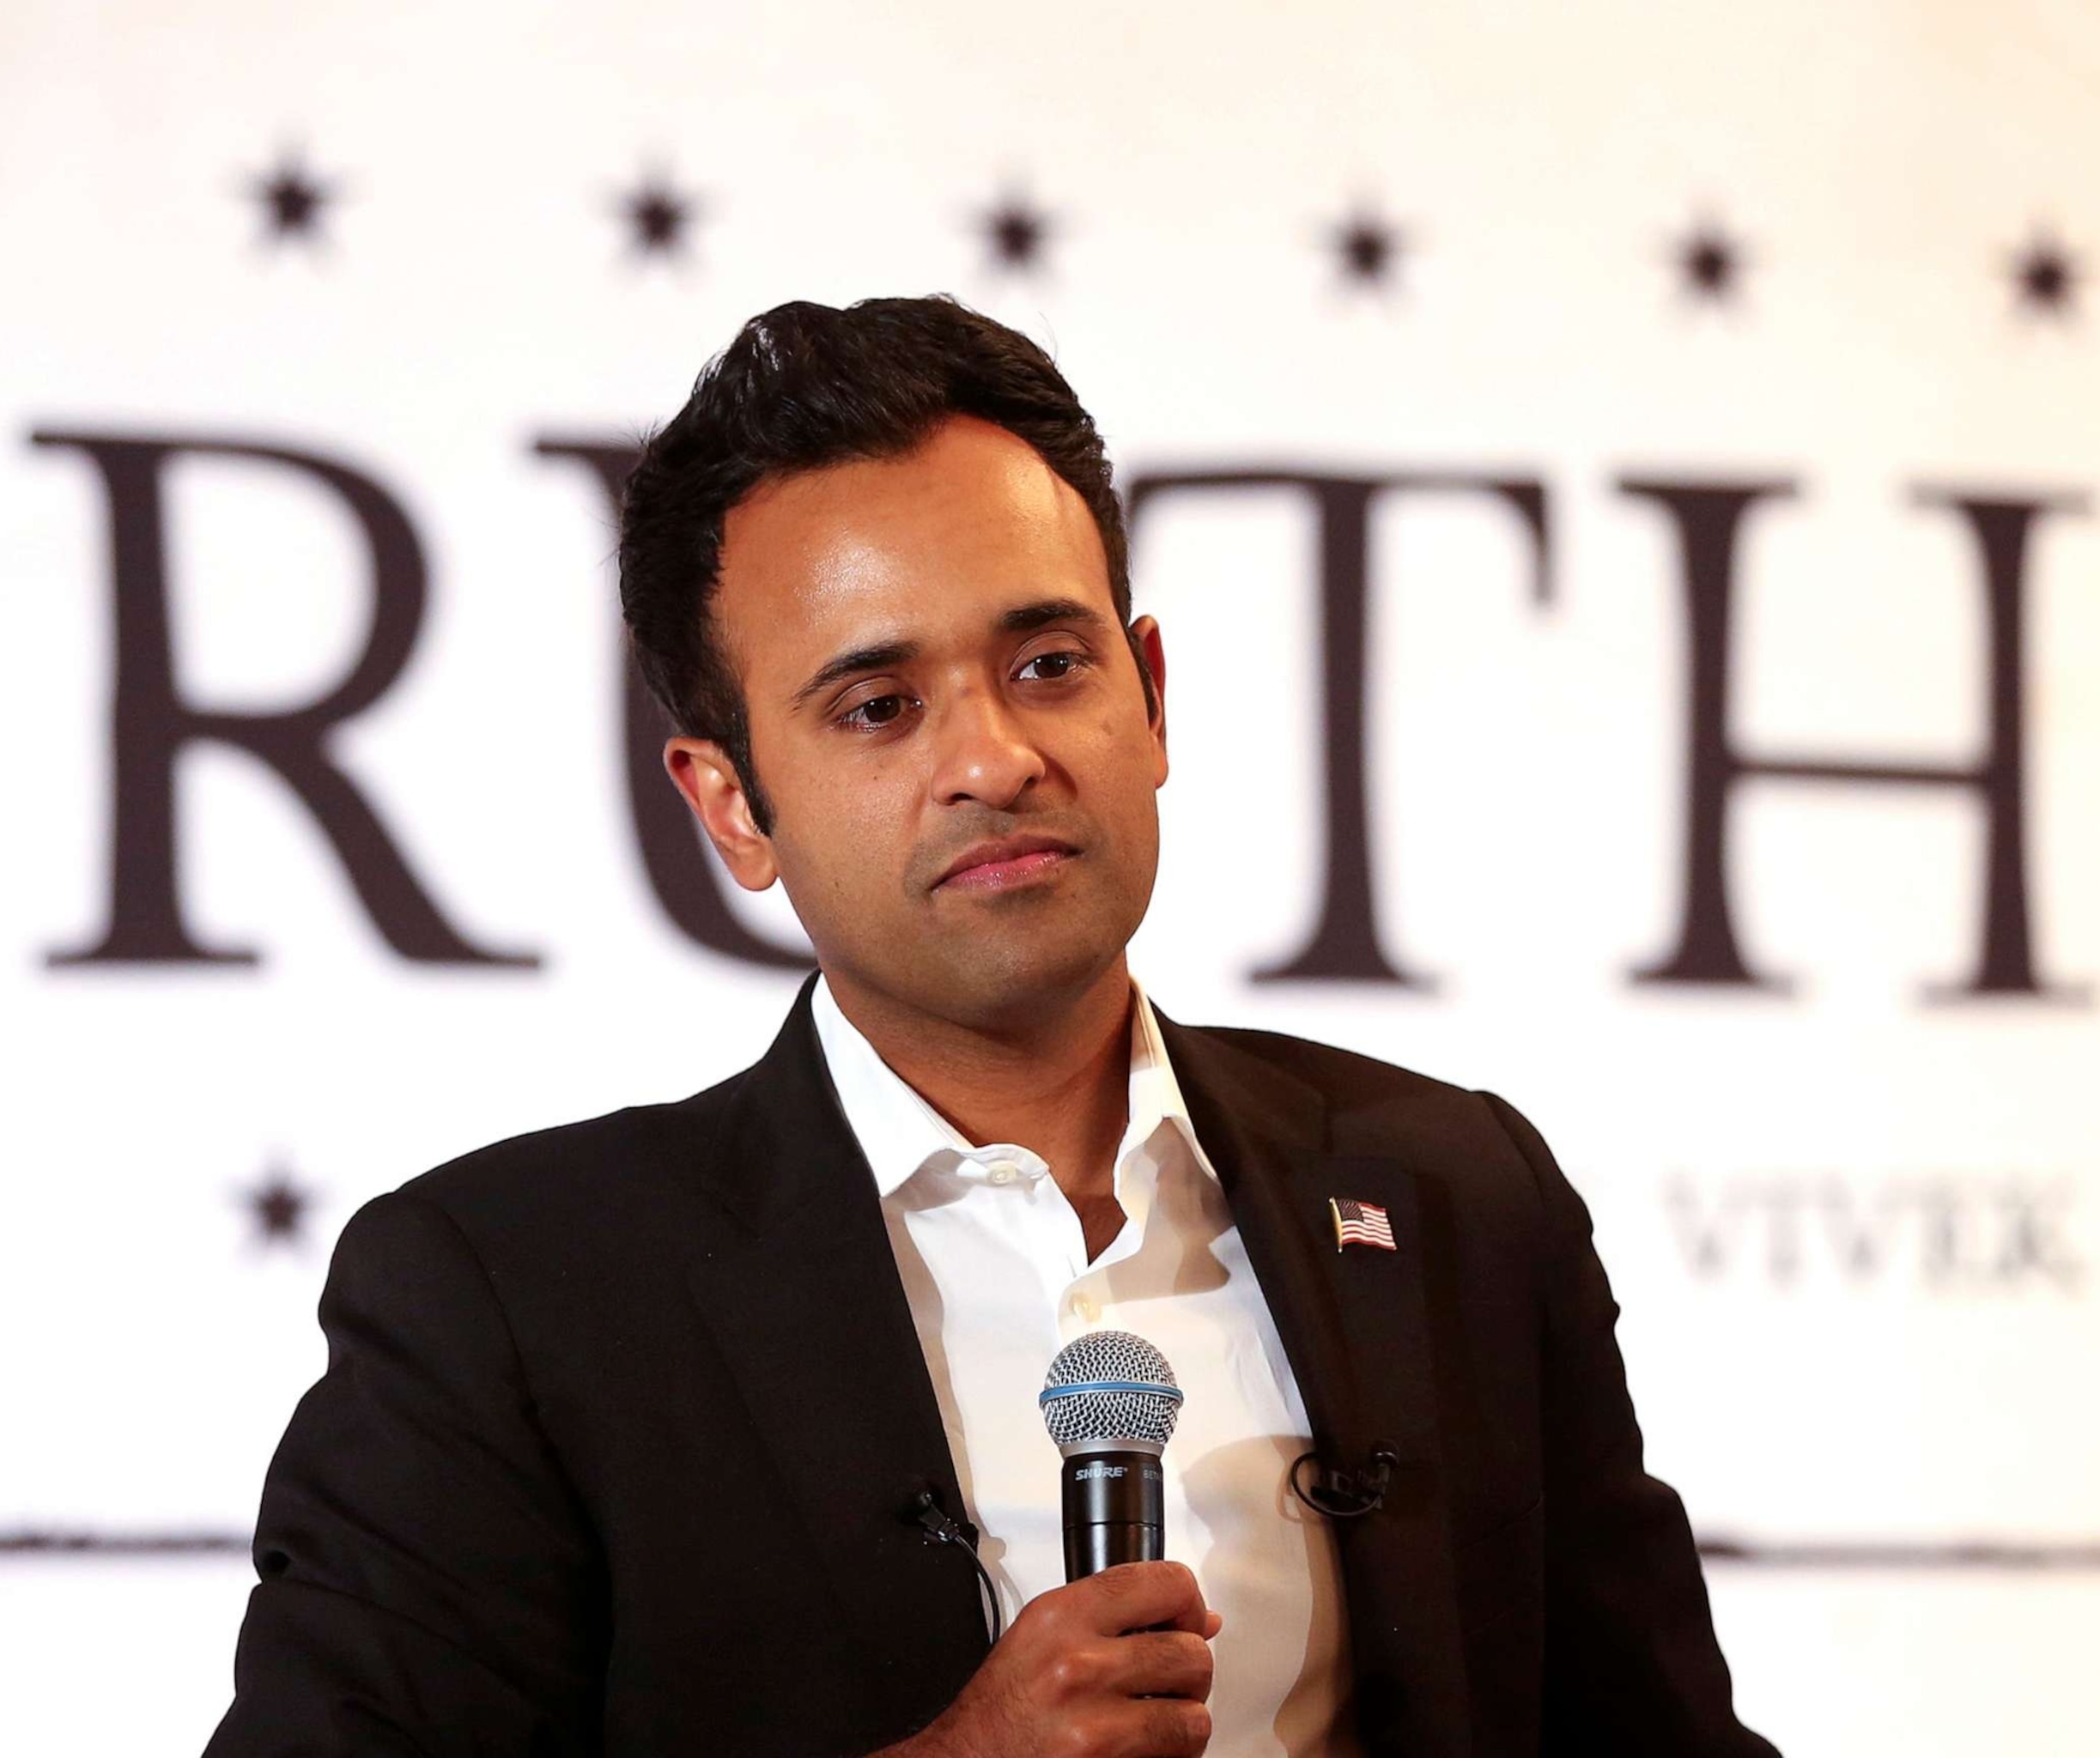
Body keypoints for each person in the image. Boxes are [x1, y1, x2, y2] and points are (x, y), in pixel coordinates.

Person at [203, 296, 1776, 1757]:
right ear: (731, 804)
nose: (997, 757)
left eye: (1049, 663)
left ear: (1150, 697)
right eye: (878, 706)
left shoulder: (1452, 1194)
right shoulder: (505, 1296)